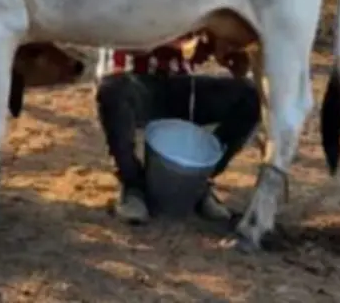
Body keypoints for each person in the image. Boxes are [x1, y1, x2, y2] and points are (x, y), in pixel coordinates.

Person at [95, 34, 261, 225]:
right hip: (135, 81)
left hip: (180, 81)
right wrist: (177, 41)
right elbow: (126, 32)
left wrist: (221, 49)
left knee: (250, 96)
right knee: (113, 89)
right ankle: (133, 185)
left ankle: (197, 181)